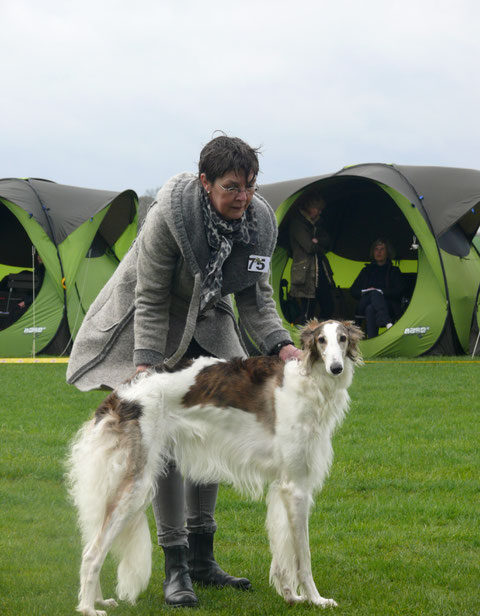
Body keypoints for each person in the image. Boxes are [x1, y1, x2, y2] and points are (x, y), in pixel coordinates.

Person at [66, 135, 301, 608]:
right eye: (232, 187)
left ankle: (202, 558)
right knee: (162, 440)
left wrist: (282, 346)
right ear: (205, 182)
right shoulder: (169, 216)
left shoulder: (259, 222)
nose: (243, 197)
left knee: (212, 430)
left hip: (212, 323)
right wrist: (146, 369)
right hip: (150, 322)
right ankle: (175, 564)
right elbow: (149, 298)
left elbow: (257, 299)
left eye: (250, 186)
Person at [288, 192, 334, 323]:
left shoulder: (318, 224)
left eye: (321, 210)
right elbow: (309, 247)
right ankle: (303, 339)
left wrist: (317, 240)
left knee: (328, 306)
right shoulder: (297, 224)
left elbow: (328, 241)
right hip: (305, 273)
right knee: (307, 311)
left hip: (321, 272)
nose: (319, 212)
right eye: (317, 209)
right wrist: (319, 244)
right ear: (309, 208)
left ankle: (322, 333)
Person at [350, 238, 404, 338]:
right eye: (376, 249)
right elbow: (353, 291)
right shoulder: (366, 271)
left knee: (371, 308)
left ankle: (372, 340)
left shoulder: (394, 271)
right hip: (364, 302)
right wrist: (366, 292)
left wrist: (381, 292)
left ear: (388, 252)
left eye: (382, 249)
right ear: (373, 252)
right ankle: (387, 321)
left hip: (386, 304)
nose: (378, 252)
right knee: (373, 294)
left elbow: (399, 291)